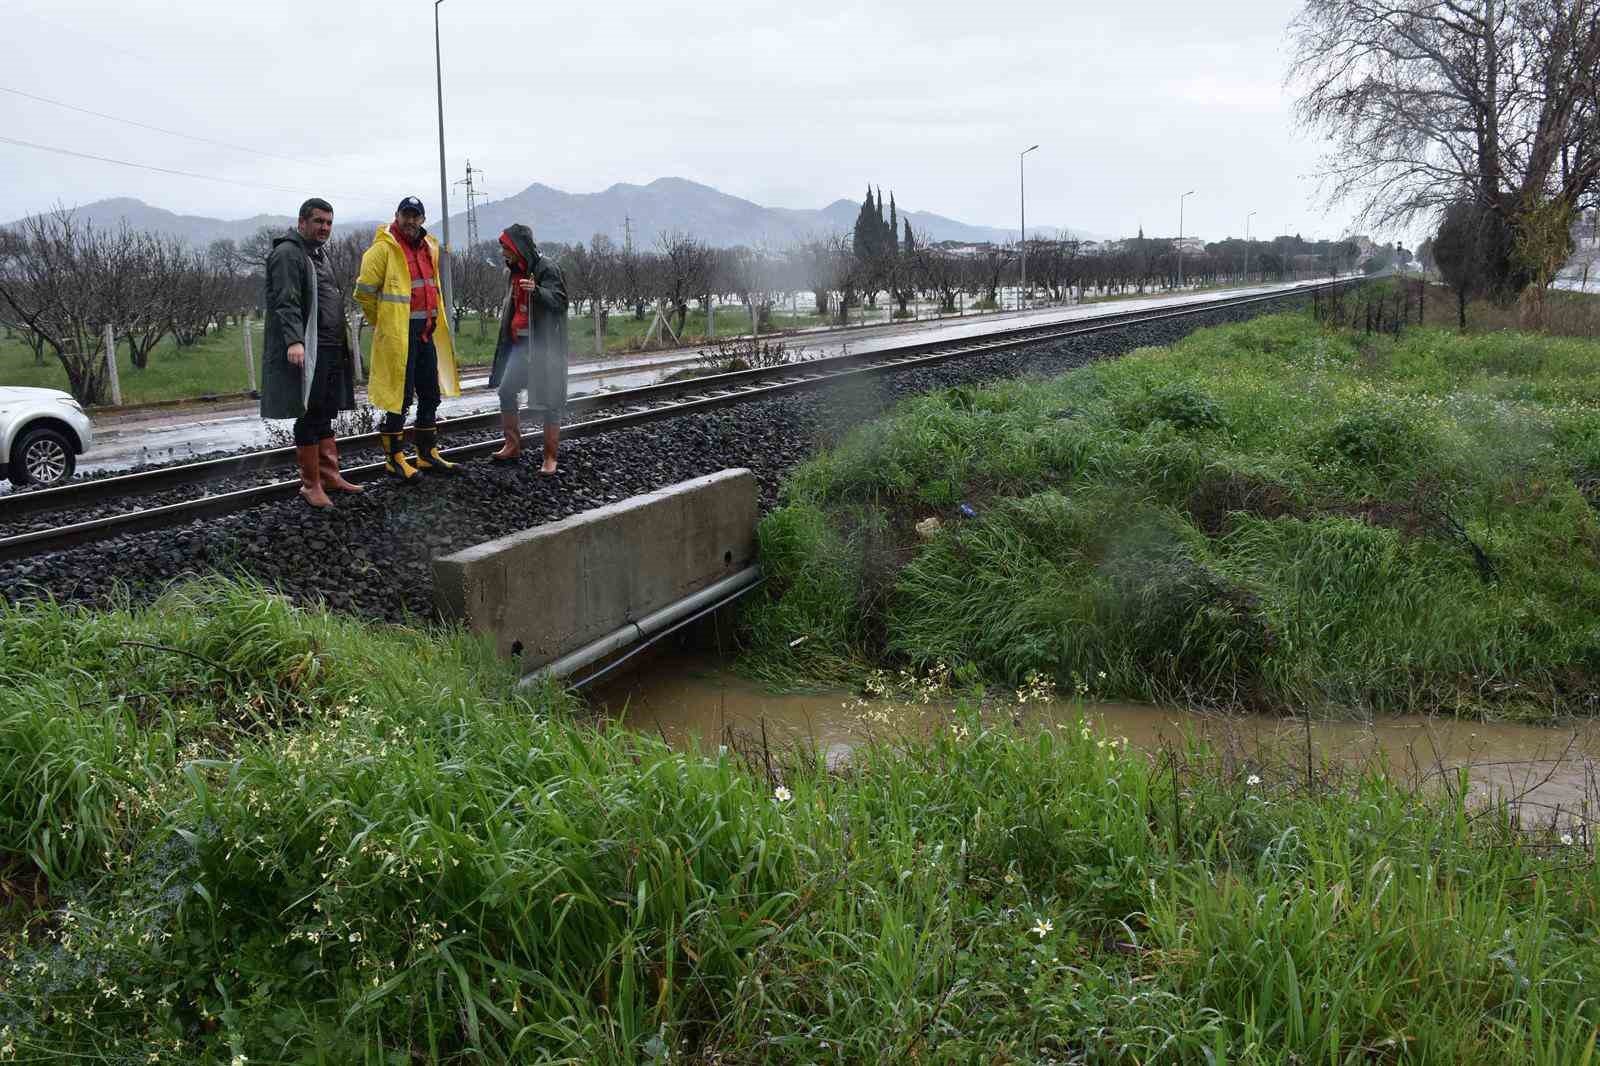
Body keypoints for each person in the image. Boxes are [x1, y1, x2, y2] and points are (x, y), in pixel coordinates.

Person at [260, 197, 362, 509]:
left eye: (329, 223)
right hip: (309, 347)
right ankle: (310, 484)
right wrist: (294, 341)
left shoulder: (319, 253)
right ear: (302, 222)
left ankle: (330, 475)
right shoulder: (288, 254)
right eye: (319, 221)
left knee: (325, 411)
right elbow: (286, 300)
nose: (324, 228)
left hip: (330, 346)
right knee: (309, 412)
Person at [353, 196, 461, 481]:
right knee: (398, 399)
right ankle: (394, 459)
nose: (411, 221)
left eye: (416, 216)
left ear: (423, 219)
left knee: (430, 394)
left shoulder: (429, 247)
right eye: (406, 215)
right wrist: (384, 324)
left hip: (426, 332)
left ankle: (426, 454)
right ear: (397, 216)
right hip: (399, 335)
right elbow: (363, 293)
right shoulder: (382, 250)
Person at [488, 223, 568, 473]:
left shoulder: (547, 268)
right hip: (520, 344)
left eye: (506, 249)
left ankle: (550, 457)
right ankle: (512, 445)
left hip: (545, 345)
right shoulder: (511, 272)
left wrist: (537, 291)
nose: (503, 254)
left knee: (550, 399)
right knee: (506, 390)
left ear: (518, 248)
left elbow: (561, 301)